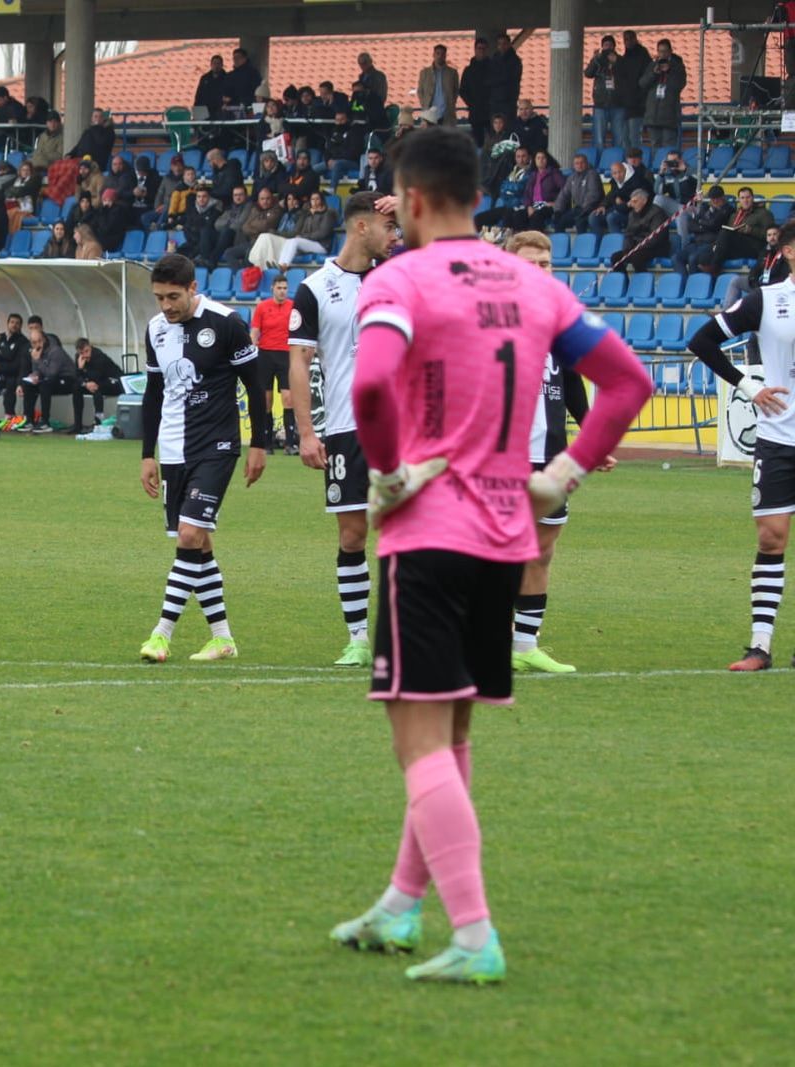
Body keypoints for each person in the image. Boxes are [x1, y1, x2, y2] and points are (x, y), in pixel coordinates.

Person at [329, 125, 650, 983]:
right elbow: (629, 383)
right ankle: (401, 905)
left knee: (419, 741)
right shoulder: (533, 283)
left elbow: (367, 384)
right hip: (507, 536)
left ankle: (473, 934)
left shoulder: (399, 278)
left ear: (418, 199)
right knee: (454, 728)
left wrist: (390, 471)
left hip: (430, 532)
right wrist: (562, 476)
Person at [137, 253, 270, 663]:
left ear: (193, 288)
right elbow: (154, 393)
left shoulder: (226, 323)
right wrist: (147, 454)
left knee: (190, 536)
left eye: (173, 296)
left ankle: (161, 634)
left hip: (217, 444)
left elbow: (256, 383)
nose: (166, 306)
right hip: (174, 449)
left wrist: (259, 444)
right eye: (159, 297)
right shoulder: (156, 330)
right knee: (200, 543)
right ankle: (223, 638)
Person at [286, 192, 396, 667]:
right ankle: (357, 638)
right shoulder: (314, 289)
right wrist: (307, 432)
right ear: (361, 227)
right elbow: (299, 362)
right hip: (348, 431)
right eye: (388, 228)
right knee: (352, 537)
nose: (395, 237)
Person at [500, 230, 611, 673]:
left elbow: (570, 384)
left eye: (545, 264)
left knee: (541, 552)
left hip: (551, 455)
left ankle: (525, 647)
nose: (541, 272)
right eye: (531, 264)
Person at [687, 222, 795, 670]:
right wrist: (749, 389)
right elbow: (702, 341)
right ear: (789, 250)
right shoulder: (767, 300)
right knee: (771, 538)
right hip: (778, 437)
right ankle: (760, 646)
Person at [249, 275, 296, 453]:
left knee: (288, 399)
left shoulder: (293, 307)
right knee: (266, 401)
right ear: (272, 289)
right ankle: (267, 443)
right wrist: (251, 350)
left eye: (285, 288)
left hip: (286, 355)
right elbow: (255, 331)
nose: (282, 291)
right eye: (279, 288)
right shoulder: (262, 307)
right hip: (265, 355)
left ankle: (290, 444)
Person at [19, 318, 73, 432]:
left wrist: (38, 361)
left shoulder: (55, 351)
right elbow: (36, 369)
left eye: (39, 341)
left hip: (67, 379)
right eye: (33, 343)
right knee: (28, 384)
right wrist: (34, 376)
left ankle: (45, 421)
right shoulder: (34, 351)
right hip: (50, 378)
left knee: (45, 385)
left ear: (43, 339)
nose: (36, 345)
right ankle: (29, 419)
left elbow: (52, 373)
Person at [70, 338, 124, 436]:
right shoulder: (79, 357)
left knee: (96, 388)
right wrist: (82, 374)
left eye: (87, 351)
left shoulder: (99, 356)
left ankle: (98, 422)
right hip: (95, 382)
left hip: (114, 381)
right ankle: (77, 425)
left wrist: (84, 376)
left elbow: (97, 377)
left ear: (90, 347)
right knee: (76, 388)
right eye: (82, 353)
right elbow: (76, 377)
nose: (85, 355)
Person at [639, 39, 686, 149]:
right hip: (653, 116)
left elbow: (679, 85)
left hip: (669, 117)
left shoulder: (677, 66)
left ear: (670, 51)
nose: (662, 54)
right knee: (655, 147)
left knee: (669, 148)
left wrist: (669, 71)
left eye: (665, 51)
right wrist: (654, 73)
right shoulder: (652, 65)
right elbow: (642, 84)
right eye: (660, 51)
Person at [586, 35, 625, 150]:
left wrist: (616, 62)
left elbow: (627, 74)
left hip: (618, 104)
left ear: (614, 47)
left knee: (619, 137)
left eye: (610, 45)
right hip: (600, 104)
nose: (607, 48)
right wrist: (594, 60)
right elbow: (588, 74)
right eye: (605, 45)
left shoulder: (620, 60)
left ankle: (619, 161)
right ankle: (599, 161)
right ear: (602, 47)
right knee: (599, 138)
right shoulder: (598, 60)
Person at [617, 30, 652, 151]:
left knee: (634, 138)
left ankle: (635, 164)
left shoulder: (643, 56)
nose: (628, 42)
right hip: (625, 104)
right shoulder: (625, 57)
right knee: (625, 138)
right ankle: (628, 164)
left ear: (636, 39)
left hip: (637, 105)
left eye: (630, 38)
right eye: (625, 39)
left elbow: (645, 81)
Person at [0, 312, 30, 428]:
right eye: (12, 322)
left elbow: (17, 365)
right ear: (8, 324)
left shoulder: (23, 342)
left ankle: (10, 415)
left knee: (10, 383)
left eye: (17, 323)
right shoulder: (1, 339)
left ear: (21, 326)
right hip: (1, 373)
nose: (14, 325)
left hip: (16, 375)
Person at [458, 37, 492, 145]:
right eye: (479, 48)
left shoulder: (494, 68)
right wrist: (472, 103)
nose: (481, 50)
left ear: (487, 50)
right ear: (475, 49)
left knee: (492, 142)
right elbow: (462, 90)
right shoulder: (468, 71)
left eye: (483, 48)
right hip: (475, 113)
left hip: (490, 113)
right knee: (477, 143)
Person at [417, 44, 459, 128]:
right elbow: (420, 91)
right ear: (433, 55)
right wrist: (425, 104)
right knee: (430, 139)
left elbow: (456, 91)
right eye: (438, 53)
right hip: (429, 114)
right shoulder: (425, 73)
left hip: (447, 114)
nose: (440, 56)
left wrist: (450, 103)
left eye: (442, 54)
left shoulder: (452, 73)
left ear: (445, 56)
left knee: (446, 139)